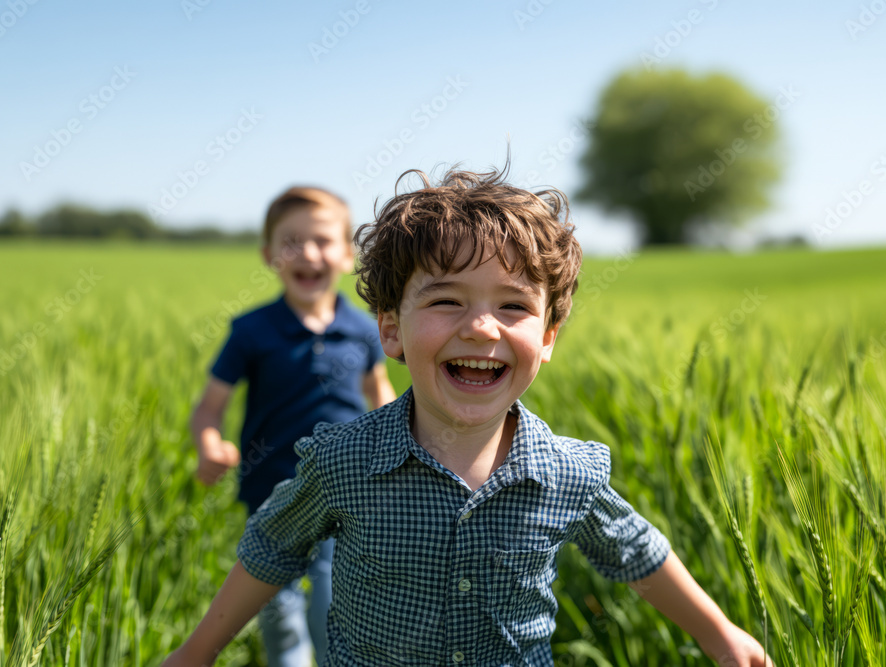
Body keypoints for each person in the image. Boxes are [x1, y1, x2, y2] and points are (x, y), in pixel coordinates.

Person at [168, 166, 773, 666]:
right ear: (391, 329)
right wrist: (195, 654)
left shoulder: (567, 473)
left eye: (513, 305)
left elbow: (635, 551)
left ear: (549, 337)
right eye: (447, 300)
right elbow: (271, 547)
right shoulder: (343, 461)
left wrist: (718, 635)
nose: (481, 326)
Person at [188, 185, 395, 667]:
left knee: (334, 595)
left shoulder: (364, 329)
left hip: (346, 487)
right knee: (276, 605)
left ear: (347, 255)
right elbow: (210, 407)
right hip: (271, 490)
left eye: (322, 240)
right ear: (268, 255)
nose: (307, 252)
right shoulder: (252, 330)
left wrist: (398, 446)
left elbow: (380, 395)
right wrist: (209, 444)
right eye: (290, 241)